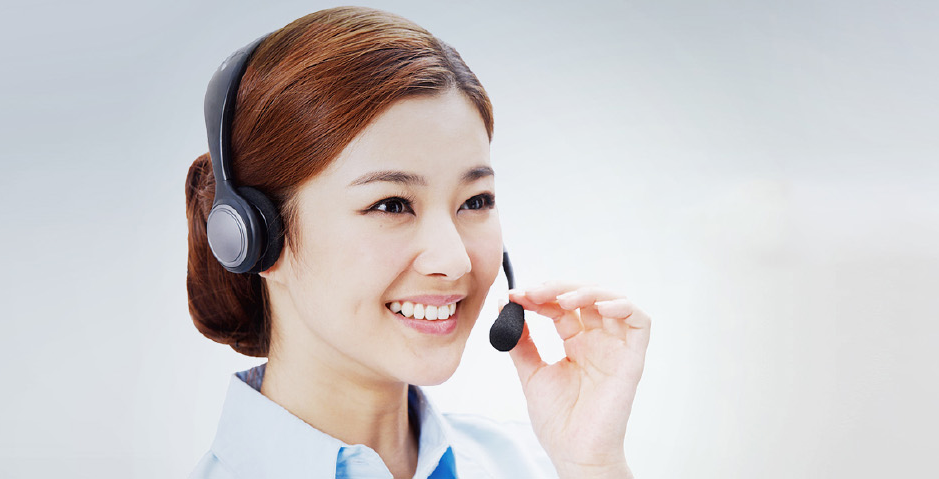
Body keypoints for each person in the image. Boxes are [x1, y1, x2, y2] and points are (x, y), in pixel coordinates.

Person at [180, 7, 651, 479]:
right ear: (254, 235)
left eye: (475, 201)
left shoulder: (540, 464)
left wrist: (593, 465)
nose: (455, 259)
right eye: (392, 205)